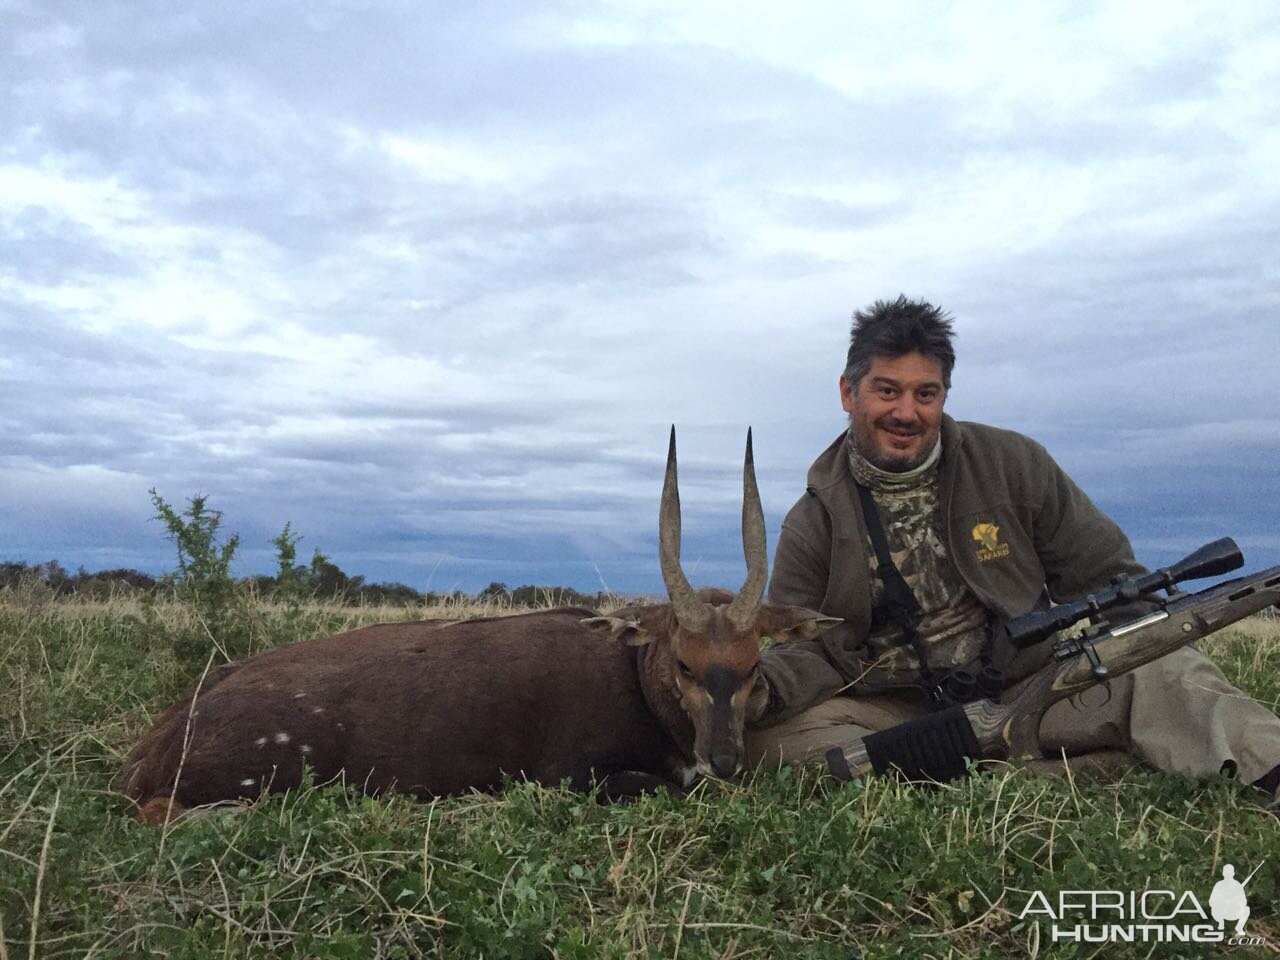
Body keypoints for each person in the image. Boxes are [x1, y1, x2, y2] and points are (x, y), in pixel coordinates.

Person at [746, 295, 1280, 800]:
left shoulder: (1013, 463)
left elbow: (1107, 576)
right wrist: (759, 691)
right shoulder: (810, 521)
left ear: (943, 396)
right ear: (848, 392)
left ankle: (1265, 768)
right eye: (887, 391)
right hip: (895, 712)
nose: (906, 412)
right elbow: (804, 649)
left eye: (925, 394)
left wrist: (1154, 641)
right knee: (762, 747)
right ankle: (1064, 766)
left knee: (1166, 669)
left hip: (1032, 687)